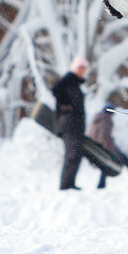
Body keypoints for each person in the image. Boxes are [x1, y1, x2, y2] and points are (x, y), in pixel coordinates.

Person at [88, 104, 128, 189]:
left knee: (105, 164)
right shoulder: (106, 119)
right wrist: (107, 147)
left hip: (96, 146)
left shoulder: (97, 118)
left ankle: (101, 185)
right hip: (105, 146)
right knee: (124, 159)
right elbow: (104, 135)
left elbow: (93, 134)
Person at [51, 57, 89, 190]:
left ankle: (69, 183)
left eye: (84, 68)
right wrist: (67, 108)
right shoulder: (68, 81)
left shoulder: (74, 83)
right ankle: (66, 185)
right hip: (68, 124)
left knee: (75, 154)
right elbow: (56, 90)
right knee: (73, 154)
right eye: (80, 68)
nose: (82, 71)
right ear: (74, 68)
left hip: (73, 125)